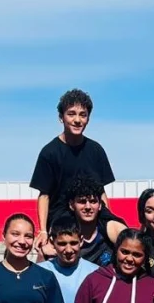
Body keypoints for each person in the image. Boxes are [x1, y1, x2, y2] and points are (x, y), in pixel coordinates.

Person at [30, 89, 118, 255]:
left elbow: (102, 192)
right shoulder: (49, 152)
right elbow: (44, 195)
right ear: (61, 117)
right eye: (71, 114)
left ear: (88, 119)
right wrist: (42, 231)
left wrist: (109, 219)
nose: (77, 120)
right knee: (47, 253)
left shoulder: (96, 150)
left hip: (92, 215)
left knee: (123, 235)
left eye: (82, 115)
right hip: (62, 219)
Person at [66, 175, 126, 267]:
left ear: (100, 205)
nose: (88, 207)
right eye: (82, 202)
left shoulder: (112, 230)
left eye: (93, 201)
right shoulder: (63, 235)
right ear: (71, 205)